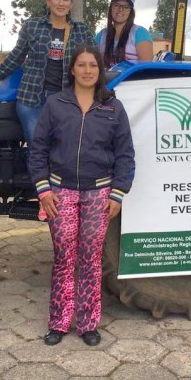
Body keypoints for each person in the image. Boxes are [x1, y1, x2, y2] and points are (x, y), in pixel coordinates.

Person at [29, 45, 135, 347]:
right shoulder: (56, 104)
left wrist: (117, 193)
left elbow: (125, 154)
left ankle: (88, 324)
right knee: (64, 258)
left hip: (99, 194)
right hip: (59, 192)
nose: (87, 70)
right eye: (81, 65)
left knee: (90, 259)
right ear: (72, 69)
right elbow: (38, 150)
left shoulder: (113, 107)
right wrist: (43, 188)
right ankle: (59, 323)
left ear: (99, 71)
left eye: (93, 65)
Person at [0, 0, 95, 144]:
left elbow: (94, 62)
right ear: (48, 0)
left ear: (71, 3)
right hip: (32, 99)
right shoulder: (32, 26)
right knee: (37, 148)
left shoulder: (82, 30)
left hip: (67, 98)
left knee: (65, 148)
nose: (61, 3)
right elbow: (16, 56)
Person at [95, 0, 153, 67]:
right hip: (106, 79)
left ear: (131, 11)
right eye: (116, 5)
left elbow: (146, 69)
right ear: (111, 7)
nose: (120, 9)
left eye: (126, 7)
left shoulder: (140, 33)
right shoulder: (101, 35)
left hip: (132, 79)